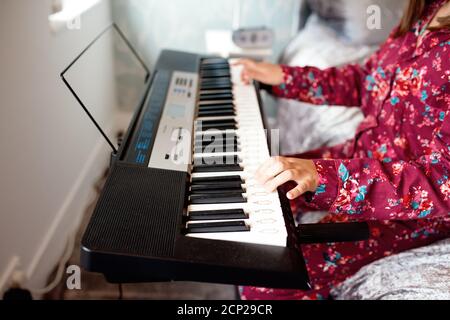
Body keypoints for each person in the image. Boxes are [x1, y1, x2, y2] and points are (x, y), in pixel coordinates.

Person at [237, 0, 450, 300]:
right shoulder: (428, 8)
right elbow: (366, 81)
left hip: (410, 207)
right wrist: (286, 77)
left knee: (265, 279)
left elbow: (444, 181)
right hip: (361, 157)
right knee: (249, 184)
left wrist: (328, 179)